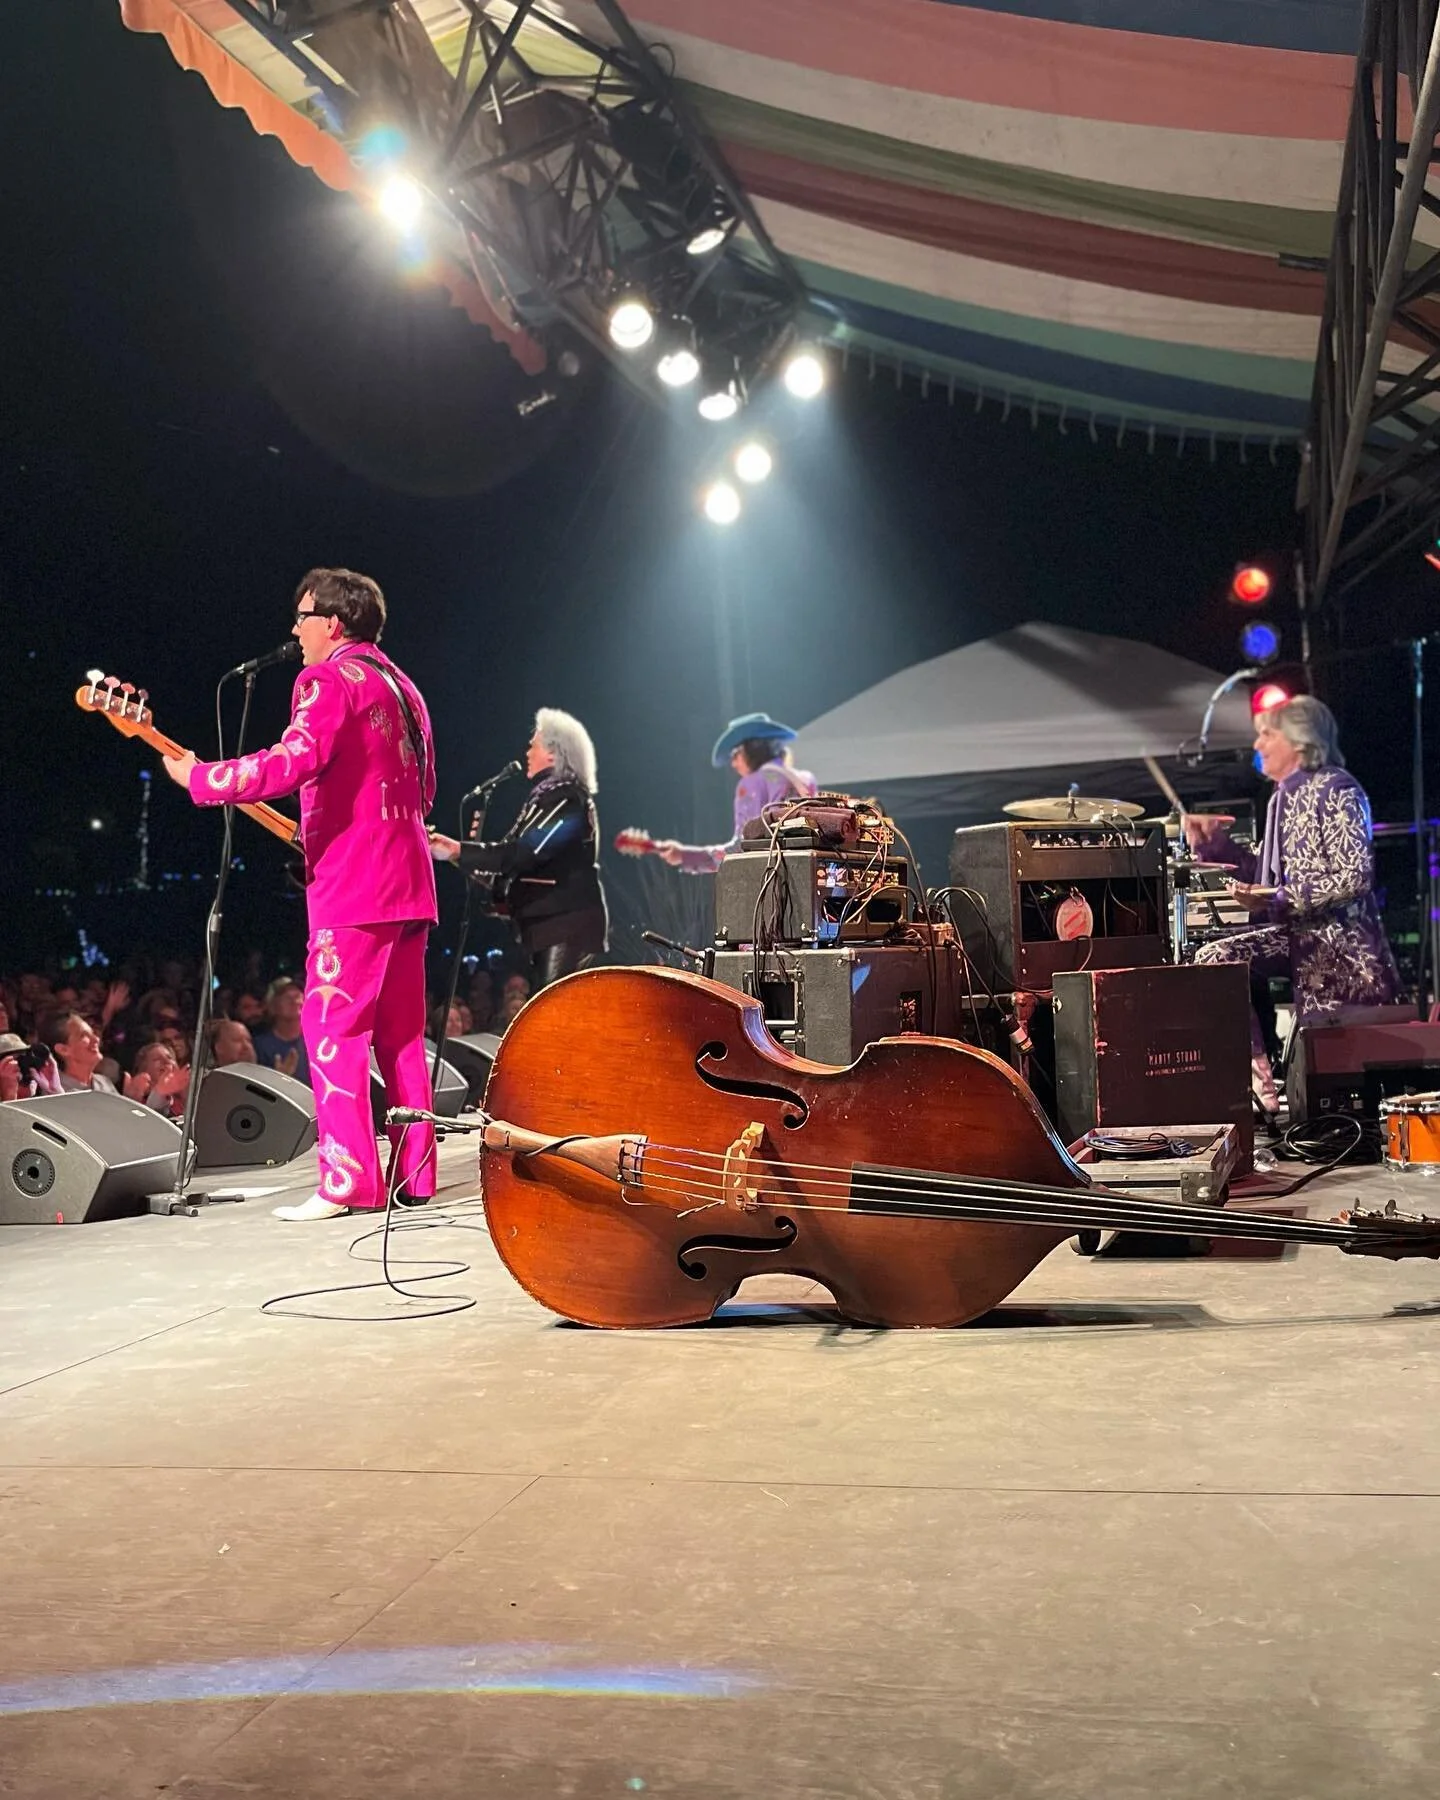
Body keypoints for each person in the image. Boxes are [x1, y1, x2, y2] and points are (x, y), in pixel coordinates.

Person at [164, 567, 439, 1221]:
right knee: (401, 1036)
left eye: (303, 615)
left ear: (333, 623)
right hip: (409, 880)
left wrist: (205, 777)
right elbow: (422, 788)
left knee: (331, 1027)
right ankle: (416, 1173)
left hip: (357, 888)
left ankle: (347, 1181)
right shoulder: (404, 687)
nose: (295, 628)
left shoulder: (326, 679)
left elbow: (295, 759)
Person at [1187, 694, 1399, 1114]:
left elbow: (1355, 876)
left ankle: (1261, 1093)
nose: (1258, 745)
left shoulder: (1338, 788)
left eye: (1267, 734)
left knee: (1217, 956)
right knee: (1213, 957)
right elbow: (1265, 875)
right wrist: (1218, 847)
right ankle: (1257, 1089)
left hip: (1340, 946)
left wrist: (1280, 897)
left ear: (1299, 741)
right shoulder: (1280, 798)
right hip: (1298, 938)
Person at [429, 708, 607, 991]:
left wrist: (460, 851)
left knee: (549, 1017)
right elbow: (510, 866)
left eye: (532, 744)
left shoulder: (569, 800)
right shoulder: (546, 799)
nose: (526, 751)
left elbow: (524, 853)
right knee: (543, 1014)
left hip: (565, 926)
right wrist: (452, 853)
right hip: (544, 927)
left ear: (553, 753)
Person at [654, 712, 818, 873]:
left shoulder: (751, 783)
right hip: (809, 874)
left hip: (775, 880)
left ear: (752, 748)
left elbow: (742, 846)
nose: (732, 763)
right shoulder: (806, 779)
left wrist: (686, 855)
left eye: (734, 754)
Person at [252, 979, 310, 1083]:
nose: (294, 1001)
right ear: (272, 1006)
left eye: (297, 996)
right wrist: (280, 1079)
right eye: (287, 997)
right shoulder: (260, 1046)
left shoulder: (318, 1042)